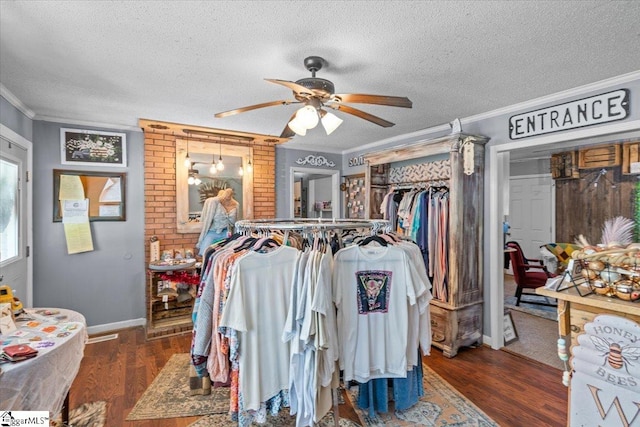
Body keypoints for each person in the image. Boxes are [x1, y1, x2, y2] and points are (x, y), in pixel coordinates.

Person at [196, 188, 239, 255]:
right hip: (213, 232)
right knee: (205, 253)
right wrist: (201, 240)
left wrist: (237, 238)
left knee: (227, 255)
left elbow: (236, 223)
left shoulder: (236, 204)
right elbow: (208, 220)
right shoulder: (214, 202)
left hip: (227, 233)